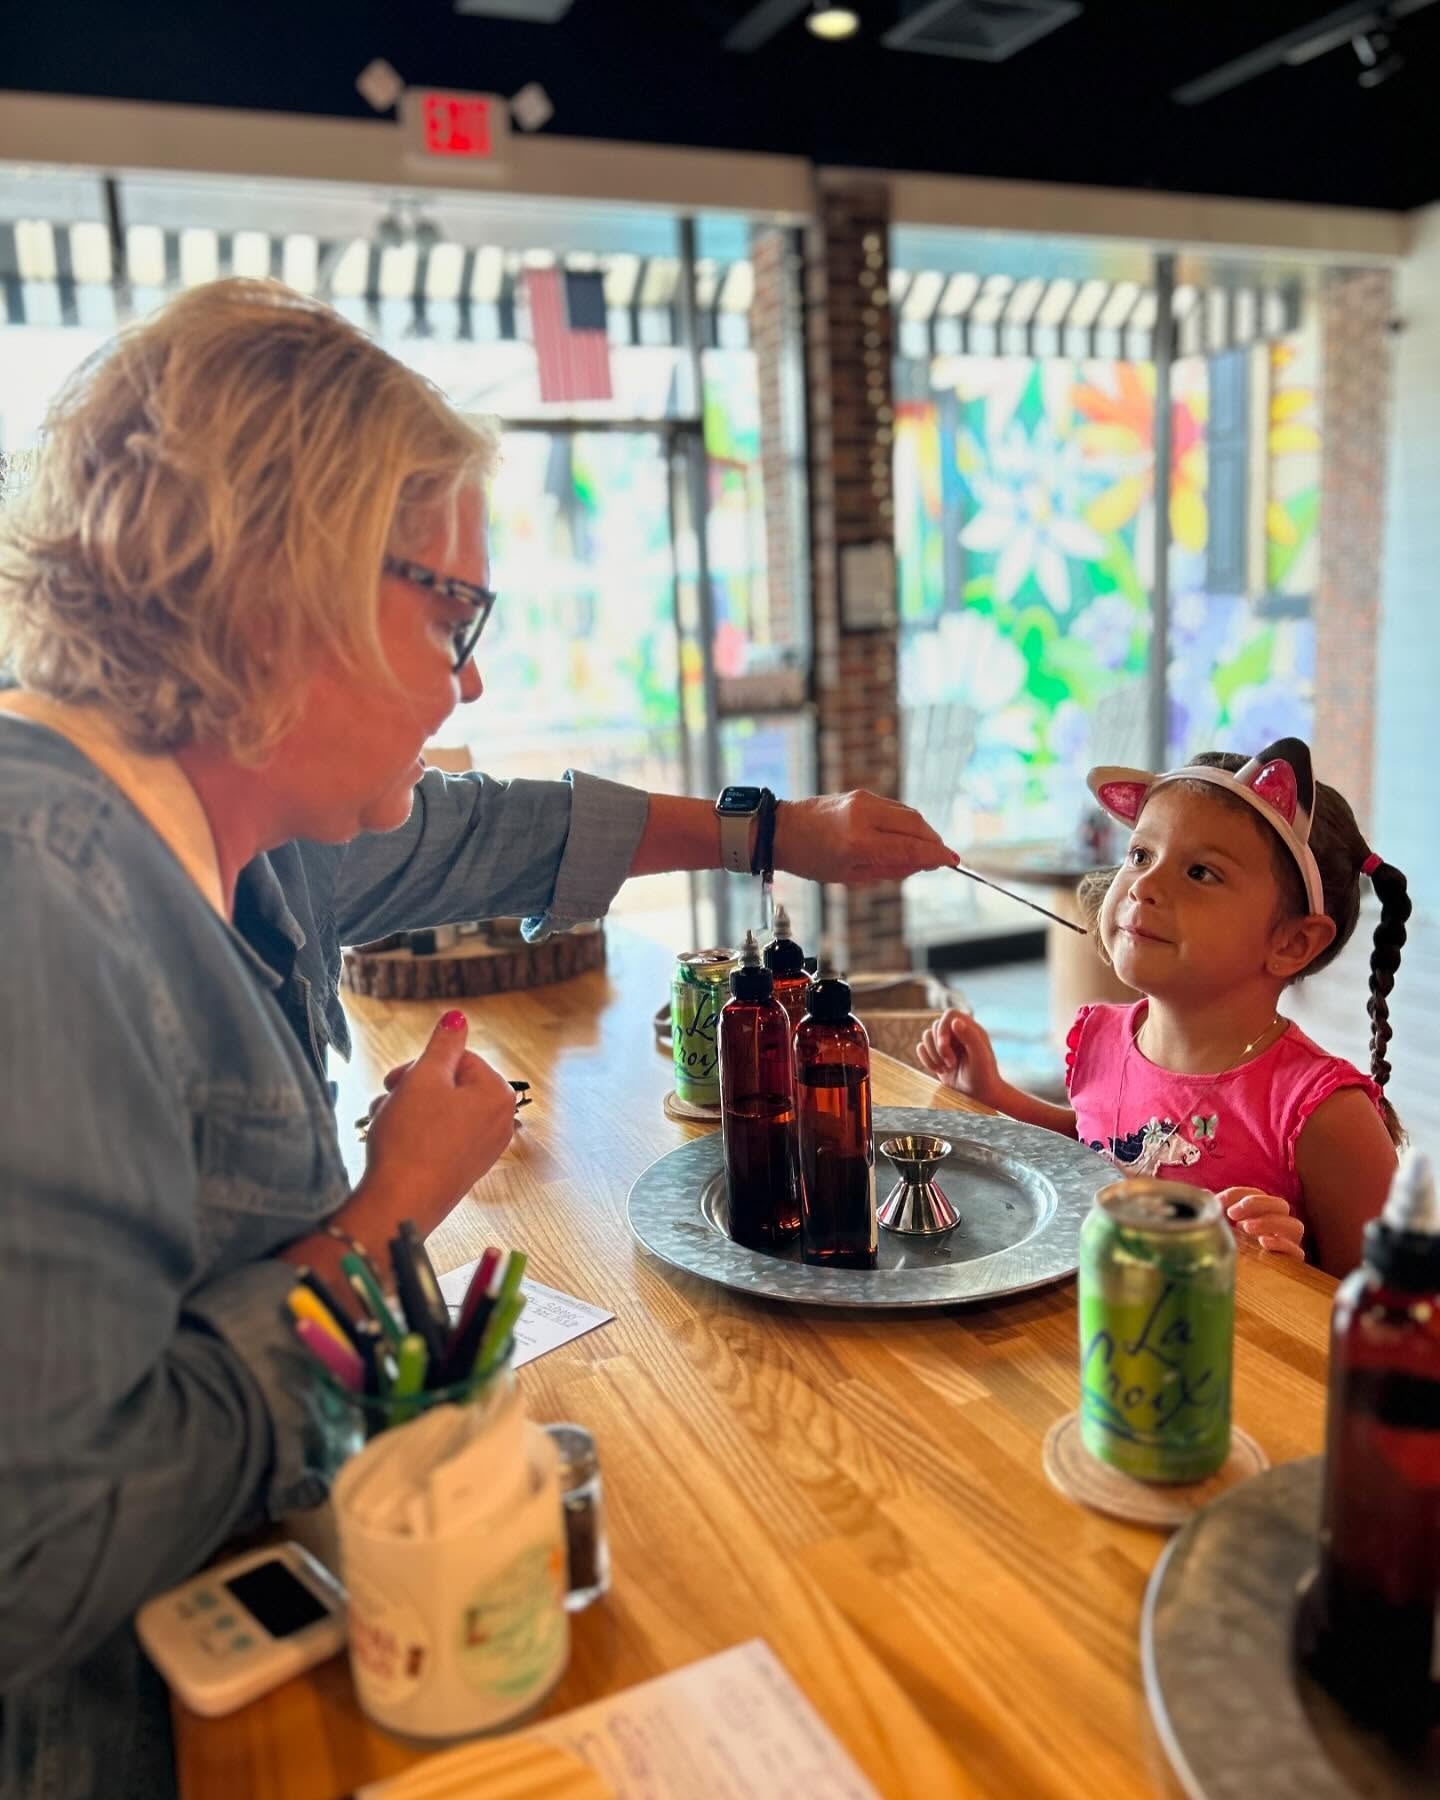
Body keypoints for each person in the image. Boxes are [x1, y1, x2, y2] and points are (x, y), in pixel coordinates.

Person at [0, 278, 956, 1799]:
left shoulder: (239, 819)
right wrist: (389, 1217)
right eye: (453, 609)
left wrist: (784, 827)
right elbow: (36, 1562)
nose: (473, 675)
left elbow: (490, 833)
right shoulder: (47, 904)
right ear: (275, 590)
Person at [919, 739, 1410, 1279]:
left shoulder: (1324, 1115)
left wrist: (1287, 1270)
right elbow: (1095, 1148)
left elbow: (1386, 1318)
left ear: (1291, 943)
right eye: (1140, 855)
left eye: (1201, 872)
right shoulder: (1103, 1037)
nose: (1144, 886)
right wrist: (992, 1093)